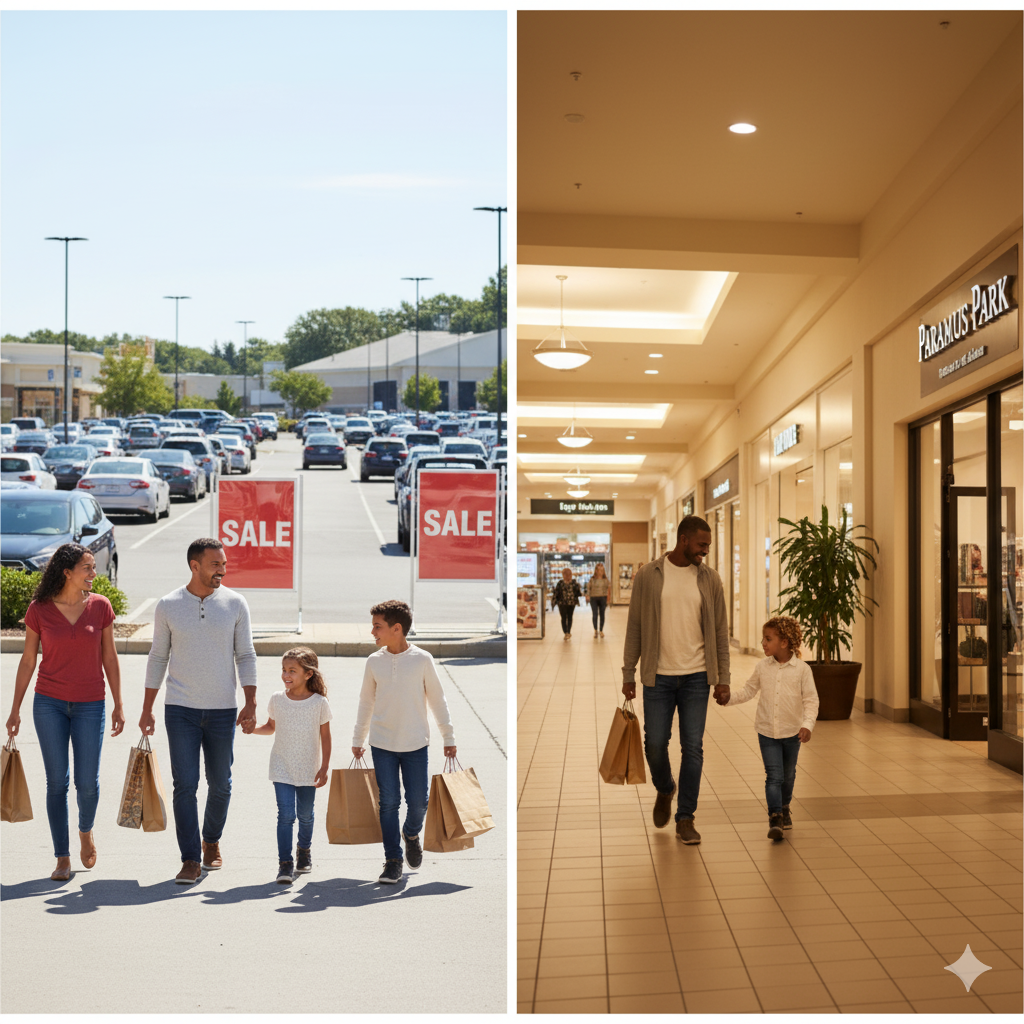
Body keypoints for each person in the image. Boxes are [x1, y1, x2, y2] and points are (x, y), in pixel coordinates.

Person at [140, 538, 258, 884]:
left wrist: (250, 701)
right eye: (215, 564)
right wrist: (147, 708)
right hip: (180, 709)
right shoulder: (169, 605)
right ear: (195, 566)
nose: (222, 569)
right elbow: (158, 657)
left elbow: (246, 655)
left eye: (224, 563)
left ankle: (211, 840)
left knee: (221, 784)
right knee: (185, 785)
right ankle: (190, 858)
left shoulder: (236, 604)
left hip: (223, 708)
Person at [5, 544, 124, 881]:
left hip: (90, 703)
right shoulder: (39, 609)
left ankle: (85, 831)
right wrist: (14, 709)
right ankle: (62, 856)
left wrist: (118, 702)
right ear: (67, 572)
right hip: (49, 703)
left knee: (87, 783)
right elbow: (28, 659)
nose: (93, 573)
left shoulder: (100, 607)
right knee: (57, 782)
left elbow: (110, 658)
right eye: (87, 567)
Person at [622, 515, 730, 846]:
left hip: (698, 676)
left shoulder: (710, 579)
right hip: (659, 677)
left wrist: (722, 678)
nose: (705, 551)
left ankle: (686, 818)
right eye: (701, 545)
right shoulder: (649, 576)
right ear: (683, 540)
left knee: (693, 748)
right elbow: (635, 626)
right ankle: (666, 787)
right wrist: (629, 672)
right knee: (654, 743)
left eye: (708, 546)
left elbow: (720, 631)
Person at [352, 600, 456, 885]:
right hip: (382, 743)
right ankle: (393, 860)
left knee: (419, 802)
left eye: (377, 626)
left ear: (396, 629)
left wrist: (448, 736)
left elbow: (437, 699)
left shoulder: (422, 660)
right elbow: (365, 702)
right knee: (388, 803)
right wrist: (358, 738)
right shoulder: (374, 662)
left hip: (415, 743)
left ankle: (410, 833)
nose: (372, 631)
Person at [718, 617, 818, 840]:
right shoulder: (762, 667)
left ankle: (784, 807)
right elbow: (748, 691)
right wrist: (728, 699)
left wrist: (807, 724)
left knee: (788, 775)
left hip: (792, 732)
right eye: (763, 638)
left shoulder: (802, 670)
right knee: (774, 775)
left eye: (768, 639)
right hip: (766, 731)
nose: (762, 643)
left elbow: (811, 700)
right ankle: (775, 817)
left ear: (784, 642)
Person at [250, 647, 332, 884]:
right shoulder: (277, 699)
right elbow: (270, 727)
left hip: (309, 767)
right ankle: (285, 863)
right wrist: (251, 729)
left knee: (305, 815)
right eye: (284, 670)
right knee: (285, 815)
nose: (286, 675)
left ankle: (303, 850)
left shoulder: (319, 702)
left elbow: (326, 737)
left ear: (308, 674)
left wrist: (324, 766)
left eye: (292, 671)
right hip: (281, 766)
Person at [551, 567, 582, 641]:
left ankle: (568, 631)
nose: (567, 576)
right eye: (566, 575)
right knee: (564, 618)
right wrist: (554, 599)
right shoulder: (560, 583)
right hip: (562, 603)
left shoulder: (574, 583)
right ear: (563, 575)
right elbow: (557, 593)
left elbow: (578, 593)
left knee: (570, 617)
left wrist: (578, 588)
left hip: (571, 603)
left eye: (569, 575)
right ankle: (566, 632)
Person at [587, 563, 610, 638]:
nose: (600, 571)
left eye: (602, 570)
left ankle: (601, 630)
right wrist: (587, 596)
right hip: (593, 598)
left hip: (603, 598)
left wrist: (608, 599)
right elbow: (588, 588)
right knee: (595, 614)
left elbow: (608, 589)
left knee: (602, 614)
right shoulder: (592, 579)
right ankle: (595, 630)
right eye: (599, 570)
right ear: (596, 571)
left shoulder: (605, 580)